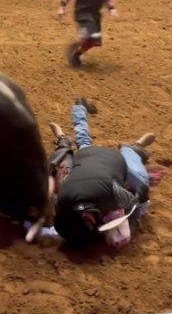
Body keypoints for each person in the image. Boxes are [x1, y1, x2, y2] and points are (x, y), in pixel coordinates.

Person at [38, 97, 162, 248]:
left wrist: (135, 209)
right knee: (77, 149)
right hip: (87, 159)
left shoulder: (111, 197)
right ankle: (72, 122)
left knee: (138, 182)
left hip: (112, 161)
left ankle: (134, 148)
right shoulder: (65, 200)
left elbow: (137, 200)